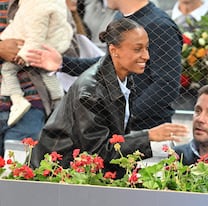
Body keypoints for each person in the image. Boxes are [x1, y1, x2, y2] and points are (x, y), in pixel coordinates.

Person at [30, 18, 188, 179]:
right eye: (137, 49)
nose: (146, 56)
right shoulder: (90, 91)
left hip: (82, 171)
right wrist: (148, 136)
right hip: (57, 173)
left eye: (147, 48)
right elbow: (98, 151)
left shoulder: (124, 78)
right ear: (114, 50)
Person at [0, 0, 69, 158]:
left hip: (30, 106)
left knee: (18, 175)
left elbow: (69, 43)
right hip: (24, 102)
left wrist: (43, 52)